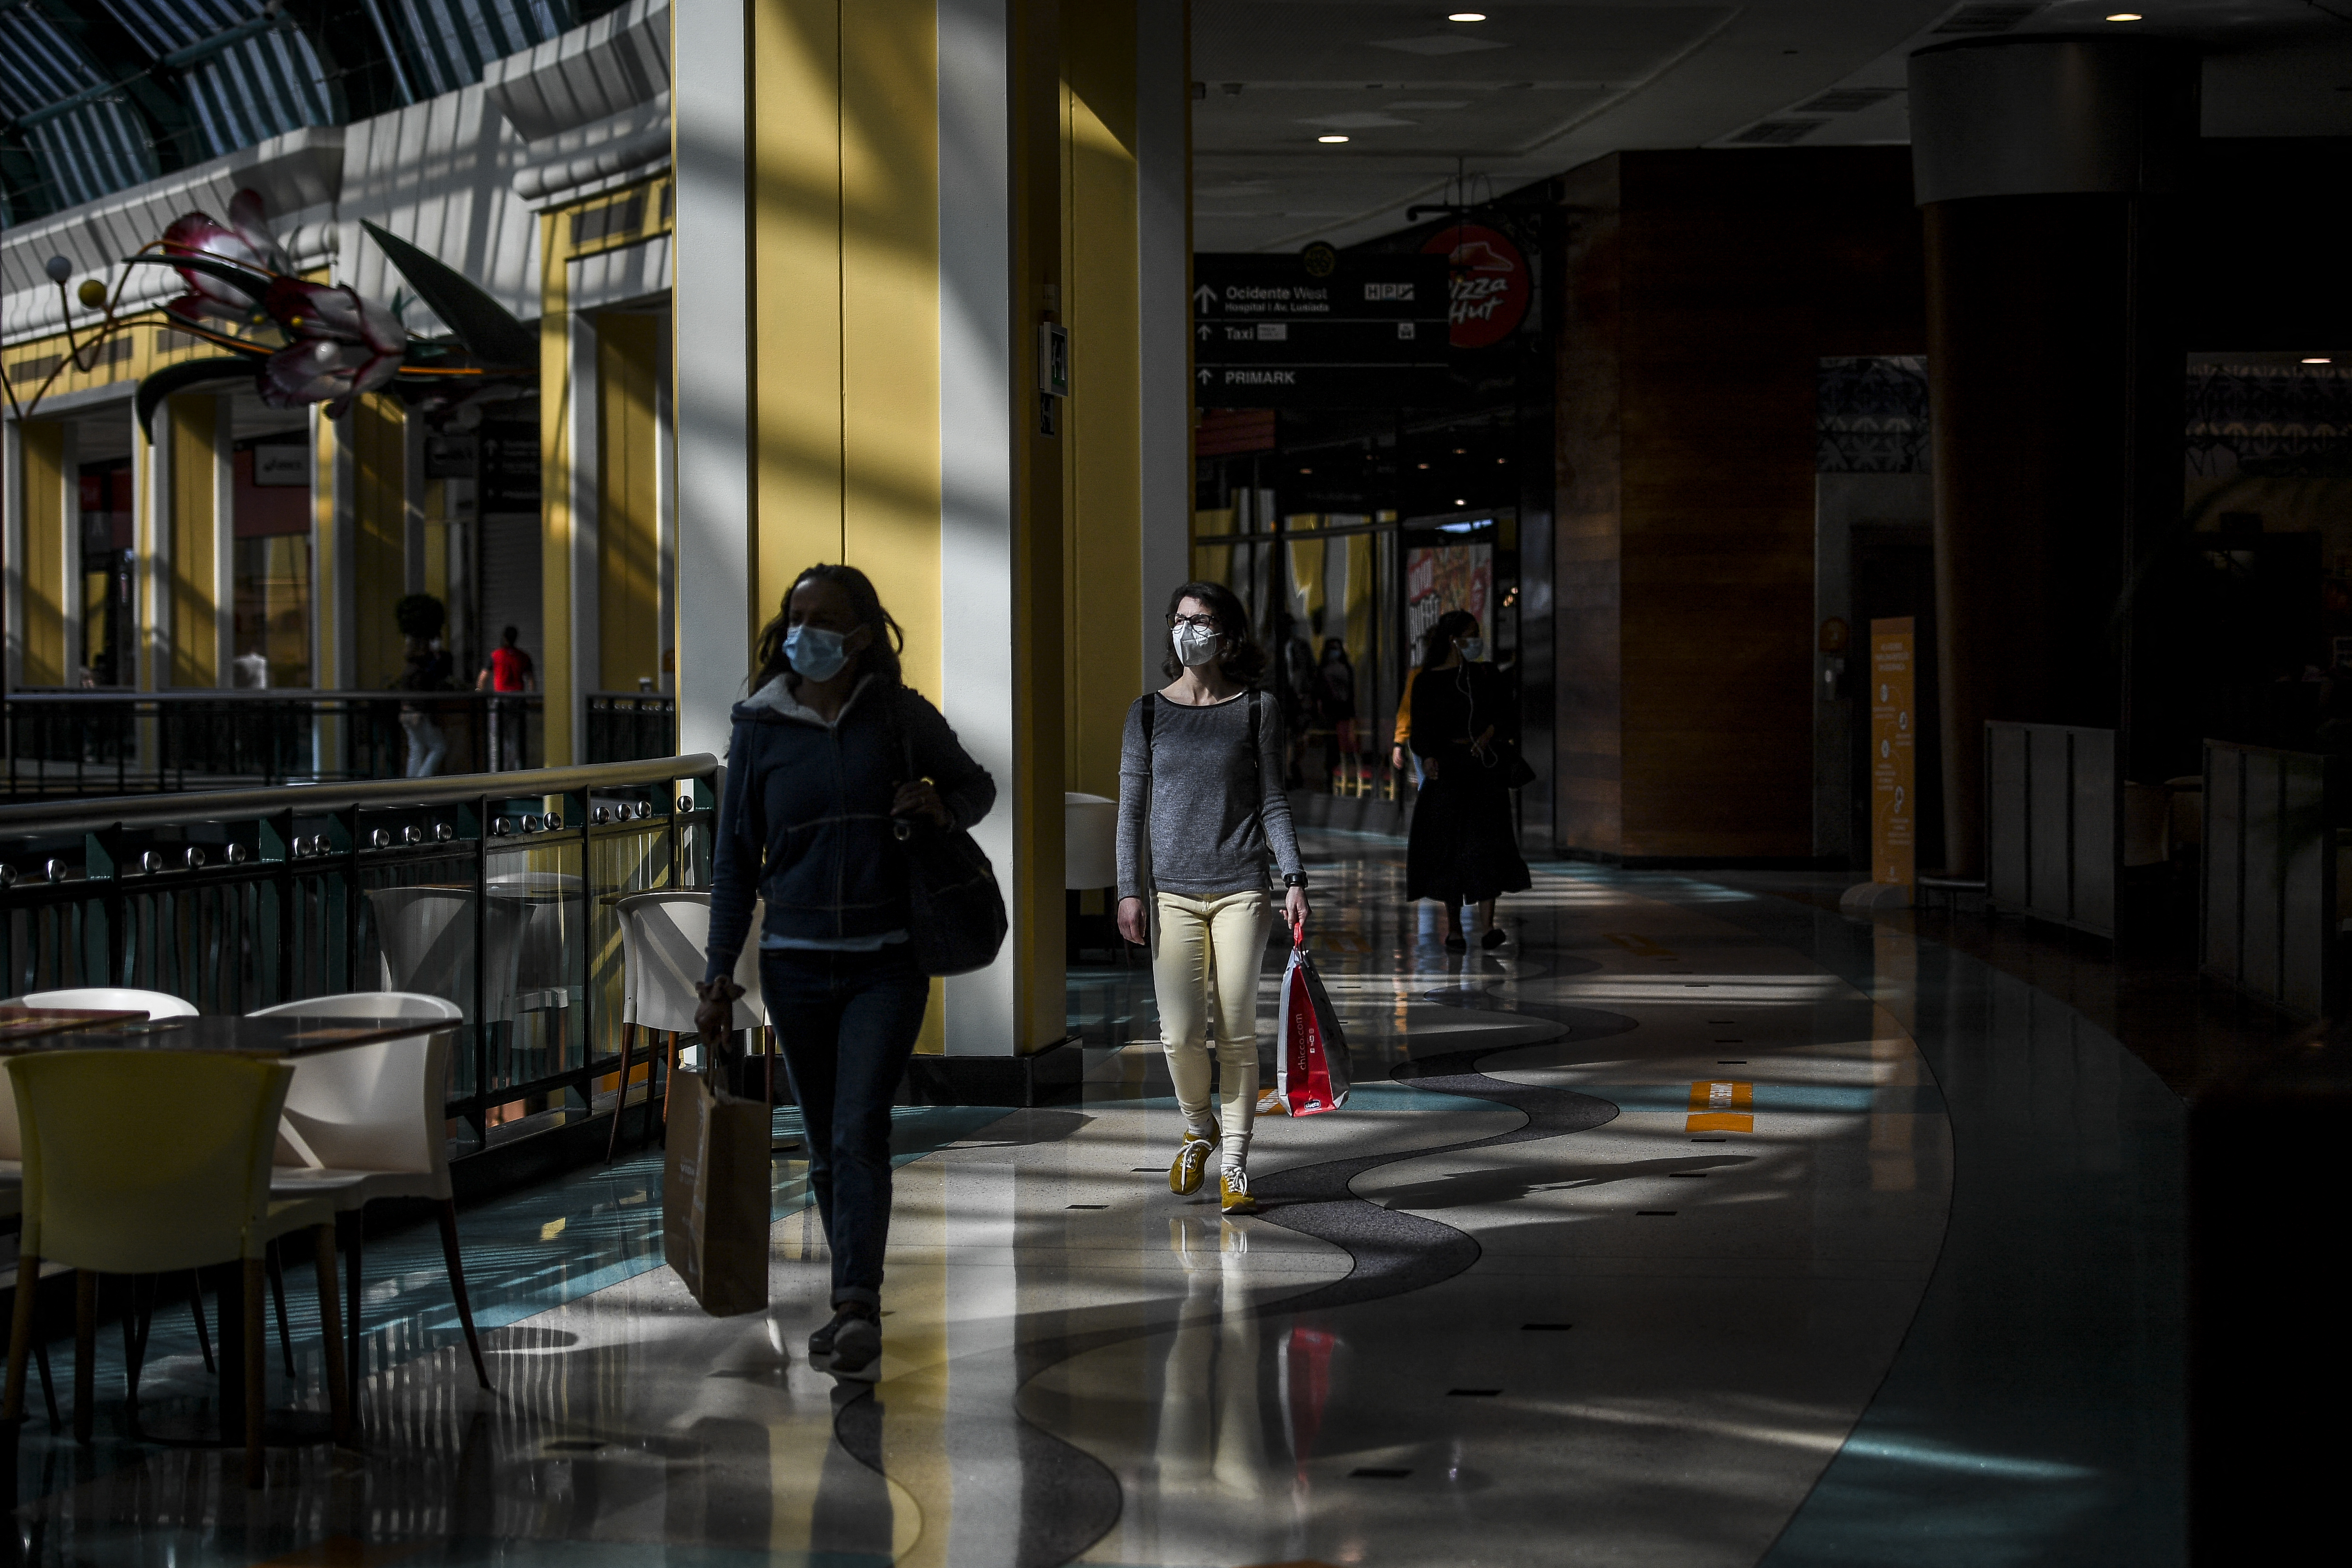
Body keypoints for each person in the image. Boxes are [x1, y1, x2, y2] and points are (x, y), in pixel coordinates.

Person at [695, 563, 993, 1382]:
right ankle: (846, 1296)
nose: (805, 632)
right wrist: (719, 975)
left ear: (861, 637)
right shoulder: (758, 727)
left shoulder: (897, 717)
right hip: (793, 966)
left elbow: (977, 786)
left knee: (860, 1127)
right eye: (797, 616)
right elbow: (734, 863)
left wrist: (942, 806)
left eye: (825, 619)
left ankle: (858, 1302)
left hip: (887, 962)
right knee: (826, 1143)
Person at [1116, 580, 1309, 1217]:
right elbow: (1131, 811)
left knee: (1235, 1030)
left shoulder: (1256, 708)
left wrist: (1293, 877)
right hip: (1170, 891)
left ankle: (1235, 1163)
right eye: (1179, 618)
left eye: (1200, 620)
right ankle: (1199, 1128)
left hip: (1241, 888)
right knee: (1176, 1036)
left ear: (1227, 635)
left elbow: (1272, 799)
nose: (1187, 629)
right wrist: (1127, 891)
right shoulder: (1146, 713)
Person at [1404, 609, 1530, 950]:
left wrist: (1489, 734)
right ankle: (1455, 928)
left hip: (1483, 769)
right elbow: (1420, 732)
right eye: (1471, 634)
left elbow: (1506, 714)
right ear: (1453, 640)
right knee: (1451, 847)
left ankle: (1488, 926)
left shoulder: (1485, 674)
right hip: (1448, 770)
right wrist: (1429, 757)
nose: (1477, 641)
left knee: (1487, 843)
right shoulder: (1427, 681)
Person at [476, 626, 536, 770]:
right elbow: (531, 680)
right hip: (518, 701)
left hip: (500, 701)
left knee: (496, 737)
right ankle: (515, 771)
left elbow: (483, 677)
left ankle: (496, 771)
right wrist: (531, 698)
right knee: (515, 738)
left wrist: (479, 693)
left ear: (504, 637)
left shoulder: (496, 655)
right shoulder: (524, 656)